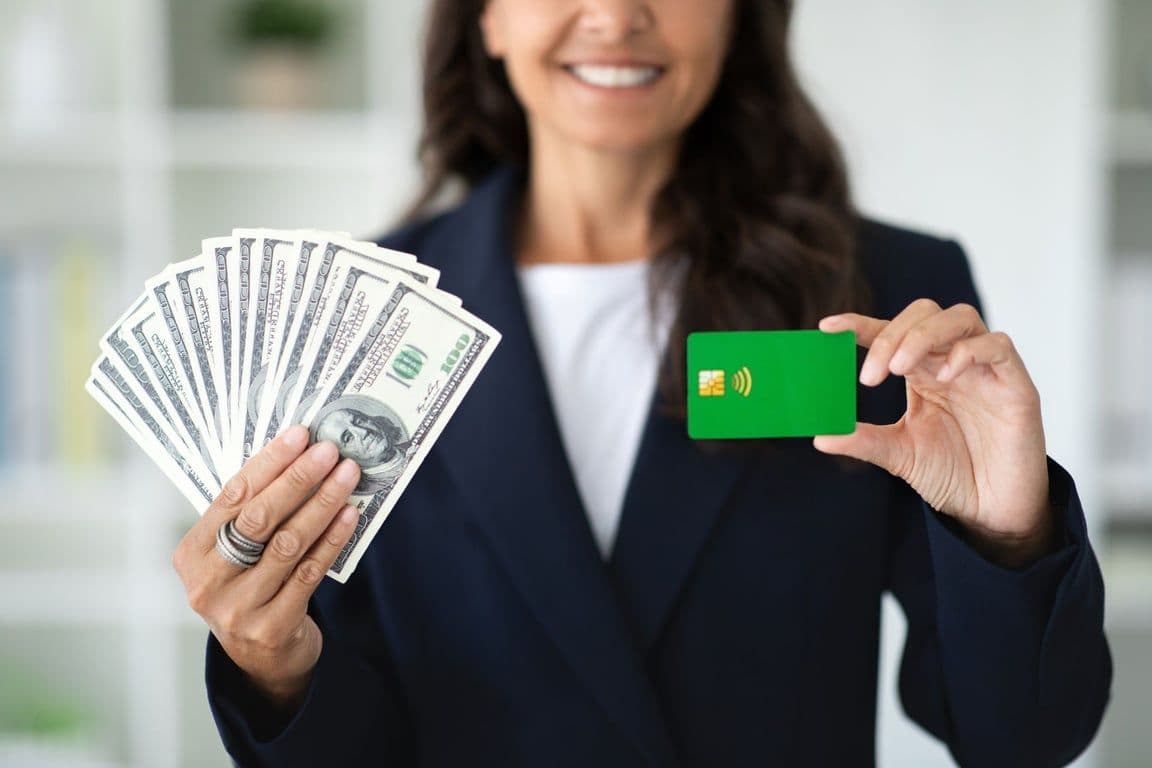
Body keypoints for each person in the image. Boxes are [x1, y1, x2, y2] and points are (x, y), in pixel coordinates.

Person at [173, 1, 1112, 765]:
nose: (617, 16)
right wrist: (274, 666)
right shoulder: (364, 317)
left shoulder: (887, 303)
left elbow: (1021, 739)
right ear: (486, 19)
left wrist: (1007, 535)